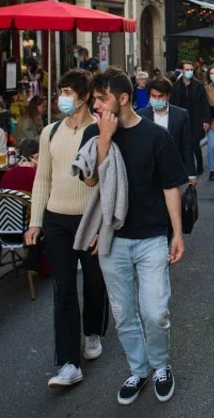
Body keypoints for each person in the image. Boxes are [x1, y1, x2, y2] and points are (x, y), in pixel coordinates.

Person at [80, 68, 187, 406]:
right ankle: (138, 369)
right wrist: (105, 139)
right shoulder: (93, 134)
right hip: (113, 239)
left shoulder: (156, 136)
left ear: (123, 98)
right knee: (123, 312)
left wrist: (178, 233)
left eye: (102, 98)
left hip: (152, 237)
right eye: (94, 99)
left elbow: (170, 186)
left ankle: (160, 365)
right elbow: (90, 182)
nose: (96, 105)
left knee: (155, 311)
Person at [24, 69, 108, 388]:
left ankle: (92, 332)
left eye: (69, 92)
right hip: (56, 220)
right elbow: (41, 179)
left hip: (91, 219)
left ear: (85, 96)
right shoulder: (50, 132)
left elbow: (108, 180)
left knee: (95, 281)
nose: (63, 98)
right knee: (63, 288)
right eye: (60, 91)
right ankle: (68, 362)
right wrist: (35, 222)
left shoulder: (101, 130)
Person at [136, 79, 197, 186]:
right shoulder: (141, 115)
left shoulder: (181, 115)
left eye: (160, 96)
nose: (157, 99)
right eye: (153, 96)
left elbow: (187, 146)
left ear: (168, 96)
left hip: (173, 170)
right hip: (148, 172)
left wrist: (191, 173)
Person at [169, 60, 209, 176]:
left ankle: (199, 165)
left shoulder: (199, 85)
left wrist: (206, 120)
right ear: (181, 70)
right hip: (181, 119)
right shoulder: (176, 86)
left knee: (195, 145)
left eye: (191, 70)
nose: (189, 72)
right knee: (182, 144)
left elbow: (204, 103)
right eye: (187, 70)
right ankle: (185, 167)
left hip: (195, 119)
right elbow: (172, 104)